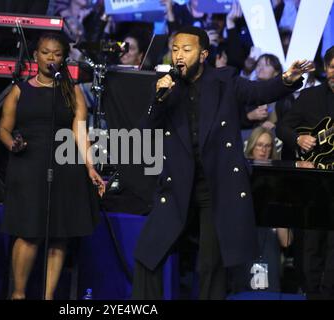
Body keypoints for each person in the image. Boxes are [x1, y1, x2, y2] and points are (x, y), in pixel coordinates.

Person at [131, 26, 312, 300]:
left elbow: (259, 91)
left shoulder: (224, 81)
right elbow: (143, 132)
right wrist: (158, 99)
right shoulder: (168, 87)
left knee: (210, 265)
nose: (179, 55)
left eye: (187, 50)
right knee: (148, 253)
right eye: (176, 49)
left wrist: (287, 79)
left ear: (203, 54)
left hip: (215, 185)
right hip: (177, 184)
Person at [0, 31, 105, 300]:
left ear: (64, 59)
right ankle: (18, 294)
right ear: (35, 56)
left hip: (64, 167)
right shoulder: (19, 90)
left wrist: (90, 167)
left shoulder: (73, 91)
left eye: (57, 54)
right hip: (29, 166)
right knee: (29, 233)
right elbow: (3, 128)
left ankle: (48, 297)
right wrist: (12, 144)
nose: (51, 58)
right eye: (46, 53)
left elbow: (80, 131)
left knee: (60, 235)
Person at [276, 45, 334, 299]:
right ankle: (311, 294)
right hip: (312, 185)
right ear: (325, 68)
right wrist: (298, 139)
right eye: (332, 66)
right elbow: (282, 127)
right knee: (310, 246)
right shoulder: (310, 97)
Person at [230, 127, 293, 293]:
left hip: (270, 244)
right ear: (251, 147)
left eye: (267, 146)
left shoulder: (280, 182)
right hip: (242, 243)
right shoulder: (239, 178)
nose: (263, 150)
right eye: (259, 145)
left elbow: (286, 241)